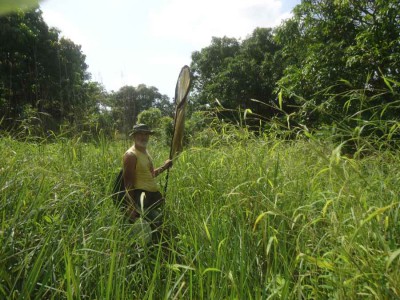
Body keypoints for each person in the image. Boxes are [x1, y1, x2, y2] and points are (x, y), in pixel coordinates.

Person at [122, 123, 172, 232]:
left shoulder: (145, 153)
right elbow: (128, 184)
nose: (143, 137)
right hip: (141, 199)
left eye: (146, 134)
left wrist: (164, 166)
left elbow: (151, 175)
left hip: (151, 197)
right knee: (151, 228)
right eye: (140, 134)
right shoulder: (131, 155)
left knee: (158, 224)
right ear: (134, 136)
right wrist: (131, 208)